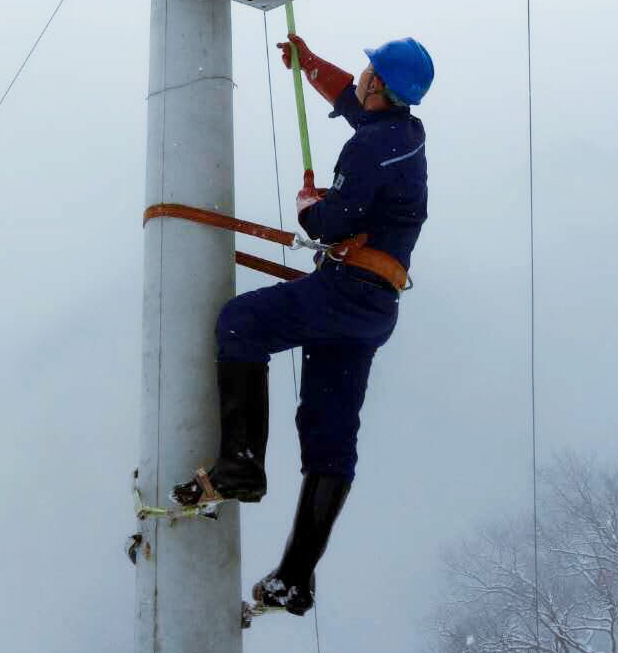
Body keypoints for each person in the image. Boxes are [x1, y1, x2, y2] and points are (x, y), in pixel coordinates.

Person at [172, 33, 434, 615]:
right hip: (373, 310)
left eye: (368, 71)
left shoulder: (370, 149)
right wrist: (309, 65)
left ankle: (241, 465)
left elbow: (327, 223)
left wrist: (308, 205)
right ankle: (296, 577)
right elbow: (349, 98)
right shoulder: (402, 135)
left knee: (242, 324)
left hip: (346, 290)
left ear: (381, 86)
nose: (359, 77)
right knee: (329, 435)